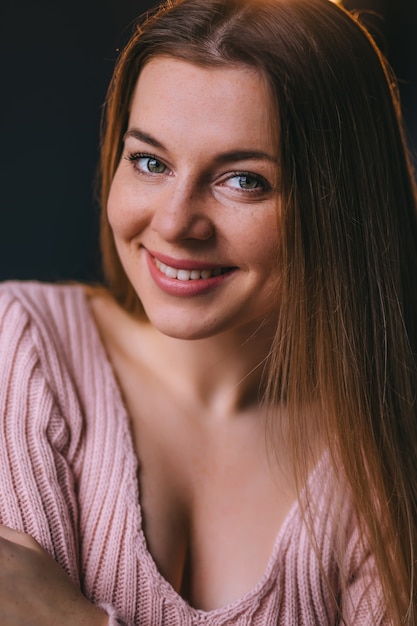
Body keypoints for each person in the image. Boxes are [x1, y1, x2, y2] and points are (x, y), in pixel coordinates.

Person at [0, 0, 416, 623]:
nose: (173, 223)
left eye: (242, 180)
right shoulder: (20, 348)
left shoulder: (388, 460)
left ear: (340, 207)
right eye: (150, 162)